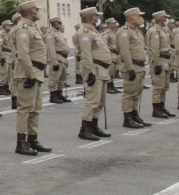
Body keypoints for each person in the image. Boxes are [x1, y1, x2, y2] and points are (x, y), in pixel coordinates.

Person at [12, 1, 51, 156]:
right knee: (25, 109)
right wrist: (31, 73)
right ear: (31, 11)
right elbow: (23, 53)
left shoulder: (32, 26)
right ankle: (21, 142)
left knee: (35, 108)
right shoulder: (23, 28)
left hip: (36, 72)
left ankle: (32, 139)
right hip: (28, 73)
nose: (38, 12)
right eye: (36, 9)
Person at [76, 7, 114, 140]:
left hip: (101, 69)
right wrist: (90, 71)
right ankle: (85, 128)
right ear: (89, 17)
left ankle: (93, 125)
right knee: (92, 100)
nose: (97, 18)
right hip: (94, 68)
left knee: (100, 101)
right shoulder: (85, 32)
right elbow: (86, 53)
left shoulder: (93, 31)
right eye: (95, 16)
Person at [116, 7, 152, 129]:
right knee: (129, 93)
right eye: (138, 15)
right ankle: (128, 118)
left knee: (137, 92)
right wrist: (130, 68)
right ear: (132, 17)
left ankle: (134, 115)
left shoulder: (136, 31)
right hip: (132, 66)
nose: (141, 18)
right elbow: (125, 51)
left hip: (140, 66)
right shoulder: (124, 31)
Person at [146, 11, 176, 119]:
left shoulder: (162, 30)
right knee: (158, 87)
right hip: (160, 60)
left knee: (164, 86)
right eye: (164, 18)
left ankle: (162, 106)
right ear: (159, 18)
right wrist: (157, 63)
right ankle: (156, 109)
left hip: (166, 60)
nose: (166, 19)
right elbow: (154, 49)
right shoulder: (155, 31)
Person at [46, 16, 71, 104]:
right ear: (55, 23)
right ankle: (53, 95)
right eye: (59, 23)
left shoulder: (59, 33)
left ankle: (59, 93)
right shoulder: (50, 33)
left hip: (63, 58)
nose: (61, 25)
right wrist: (54, 62)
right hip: (57, 58)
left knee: (62, 78)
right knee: (54, 78)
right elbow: (51, 48)